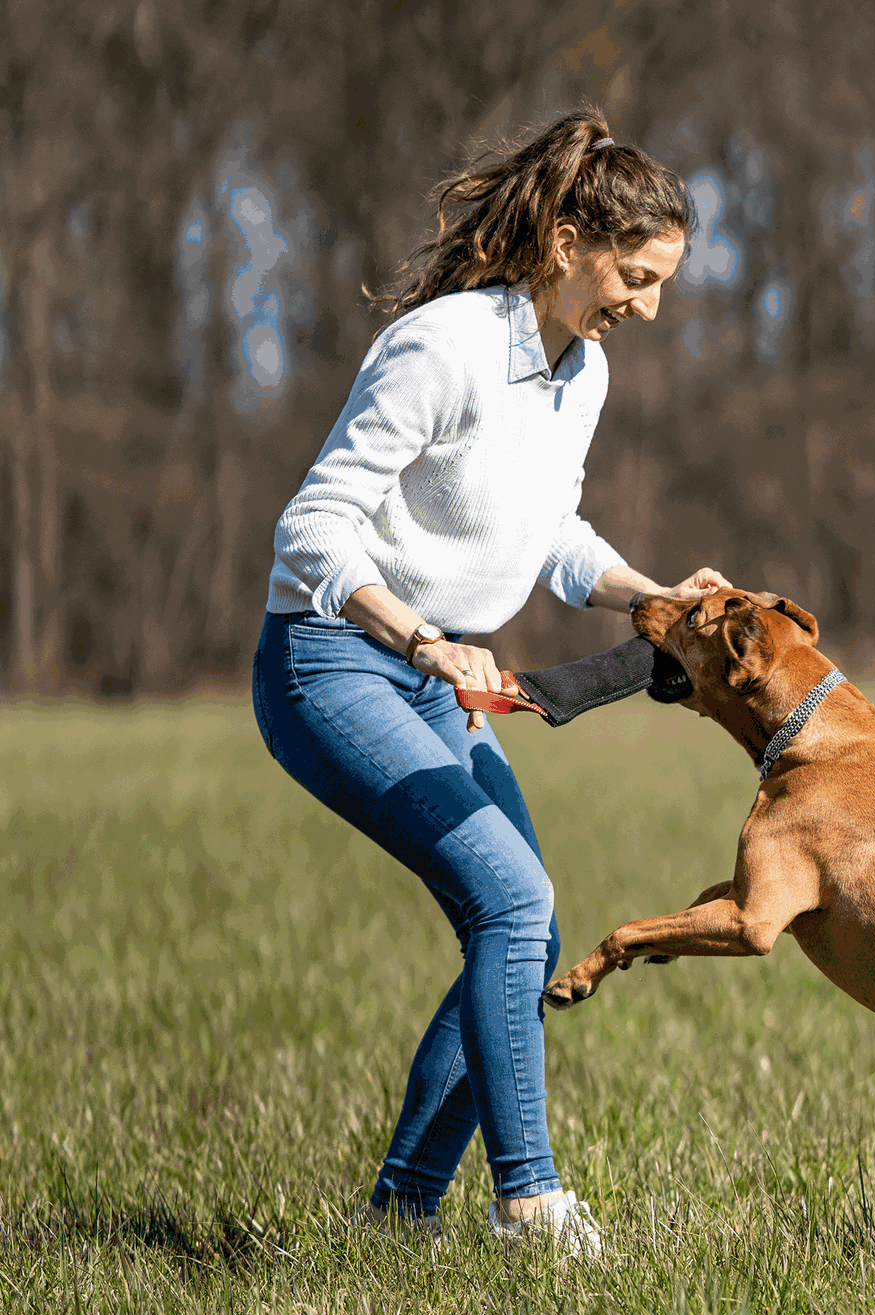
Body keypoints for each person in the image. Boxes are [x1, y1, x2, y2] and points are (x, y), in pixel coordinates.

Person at [250, 107, 730, 1256]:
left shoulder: (585, 372)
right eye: (635, 273)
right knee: (512, 907)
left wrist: (654, 597)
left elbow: (548, 534)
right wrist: (422, 639)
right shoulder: (448, 347)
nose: (648, 306)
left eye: (664, 282)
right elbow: (308, 525)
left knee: (523, 918)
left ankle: (399, 1219)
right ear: (566, 242)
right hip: (335, 661)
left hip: (438, 671)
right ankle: (529, 1203)